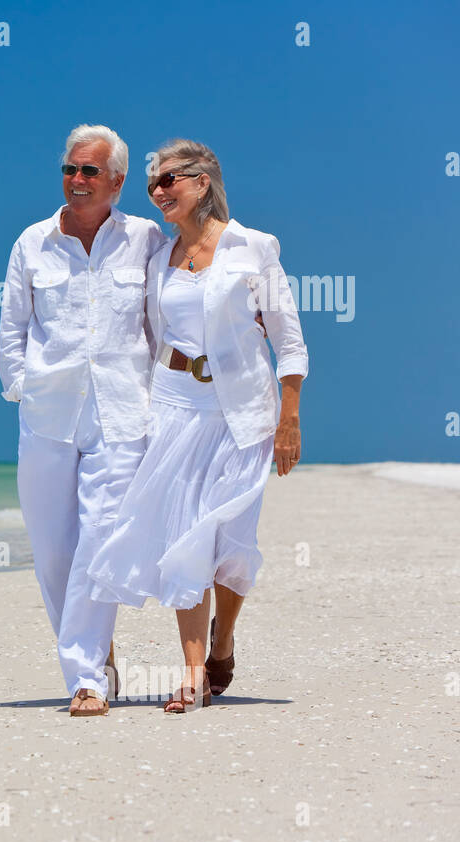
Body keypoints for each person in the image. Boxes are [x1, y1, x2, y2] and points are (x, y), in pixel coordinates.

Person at [88, 139, 308, 712]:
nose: (159, 191)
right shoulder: (159, 256)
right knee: (187, 535)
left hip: (244, 411)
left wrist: (290, 416)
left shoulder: (253, 248)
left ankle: (224, 637)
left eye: (169, 180)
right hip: (175, 404)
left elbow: (287, 336)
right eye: (152, 184)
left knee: (231, 540)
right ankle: (193, 673)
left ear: (202, 182)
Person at [0, 124, 165, 717]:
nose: (76, 180)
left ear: (117, 181)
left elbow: (160, 323)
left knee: (101, 539)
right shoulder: (31, 243)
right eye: (70, 169)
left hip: (123, 412)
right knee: (53, 551)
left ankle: (86, 677)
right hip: (48, 414)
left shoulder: (144, 238)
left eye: (90, 171)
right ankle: (98, 651)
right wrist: (22, 386)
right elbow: (13, 326)